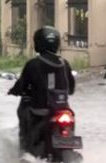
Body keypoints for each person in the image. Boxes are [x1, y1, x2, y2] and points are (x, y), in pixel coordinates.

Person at [8, 26, 75, 154]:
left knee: (23, 112)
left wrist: (14, 90)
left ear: (38, 43)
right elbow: (71, 89)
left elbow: (21, 85)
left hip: (40, 111)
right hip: (63, 110)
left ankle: (25, 150)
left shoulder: (33, 64)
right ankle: (68, 146)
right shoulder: (64, 63)